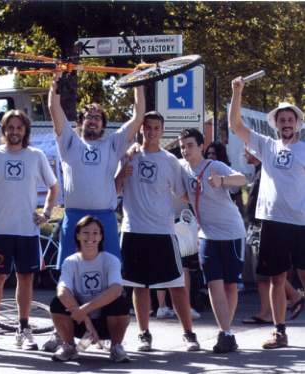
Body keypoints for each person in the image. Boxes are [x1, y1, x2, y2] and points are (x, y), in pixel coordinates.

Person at [43, 72, 144, 352]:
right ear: (80, 123)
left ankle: (114, 340)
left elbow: (138, 117)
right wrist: (55, 84)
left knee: (112, 277)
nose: (93, 121)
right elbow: (54, 108)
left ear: (103, 124)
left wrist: (139, 82)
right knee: (66, 277)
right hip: (74, 217)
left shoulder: (113, 144)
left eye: (98, 118)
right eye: (88, 118)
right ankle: (62, 335)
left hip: (105, 218)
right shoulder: (69, 142)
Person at [0, 109, 59, 351]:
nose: (14, 132)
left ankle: (24, 329)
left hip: (27, 231)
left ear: (25, 130)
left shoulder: (36, 156)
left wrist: (46, 213)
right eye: (10, 127)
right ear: (4, 130)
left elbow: (54, 186)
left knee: (26, 279)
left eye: (19, 127)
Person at [115, 112, 200, 353]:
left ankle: (189, 333)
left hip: (163, 232)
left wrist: (206, 200)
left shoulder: (170, 161)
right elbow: (115, 189)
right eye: (148, 127)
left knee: (177, 286)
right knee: (138, 286)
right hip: (134, 230)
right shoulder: (128, 156)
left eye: (156, 128)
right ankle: (144, 334)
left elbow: (184, 194)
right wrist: (122, 172)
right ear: (141, 129)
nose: (151, 132)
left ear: (162, 131)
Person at [230, 82, 305, 349]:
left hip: (301, 222)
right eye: (282, 120)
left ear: (297, 123)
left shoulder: (304, 149)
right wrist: (237, 92)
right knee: (276, 278)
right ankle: (279, 331)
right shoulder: (266, 146)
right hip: (272, 222)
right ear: (276, 124)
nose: (286, 123)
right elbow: (236, 125)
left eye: (290, 119)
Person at [178, 127, 246, 353]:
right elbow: (184, 192)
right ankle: (225, 332)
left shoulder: (214, 165)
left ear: (201, 146)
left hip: (232, 232)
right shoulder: (182, 168)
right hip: (206, 235)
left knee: (230, 285)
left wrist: (222, 180)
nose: (185, 150)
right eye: (182, 146)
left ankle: (226, 332)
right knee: (213, 283)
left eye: (190, 145)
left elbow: (242, 179)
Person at [50, 215, 130, 363]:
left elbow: (116, 289)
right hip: (79, 321)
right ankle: (69, 346)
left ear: (101, 237)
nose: (90, 237)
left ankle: (116, 347)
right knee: (57, 303)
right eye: (85, 232)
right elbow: (62, 291)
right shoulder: (70, 261)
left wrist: (85, 309)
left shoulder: (111, 260)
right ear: (78, 235)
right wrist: (85, 318)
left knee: (120, 301)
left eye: (95, 233)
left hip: (106, 322)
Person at [241, 149, 305, 324]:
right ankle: (268, 311)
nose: (244, 154)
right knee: (265, 273)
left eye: (248, 150)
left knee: (269, 273)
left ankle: (291, 298)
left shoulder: (268, 170)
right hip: (257, 226)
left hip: (265, 226)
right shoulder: (259, 171)